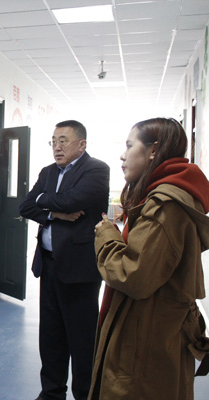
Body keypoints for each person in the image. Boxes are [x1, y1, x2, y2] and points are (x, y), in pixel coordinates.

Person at [90, 118, 209, 400]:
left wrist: (106, 235)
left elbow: (132, 275)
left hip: (145, 338)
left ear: (153, 150)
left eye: (129, 146)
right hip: (153, 329)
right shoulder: (167, 195)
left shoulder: (164, 206)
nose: (123, 155)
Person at [19, 120, 110, 400]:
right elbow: (26, 206)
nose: (57, 147)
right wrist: (54, 213)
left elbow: (73, 200)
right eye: (53, 141)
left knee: (82, 338)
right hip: (48, 265)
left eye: (63, 141)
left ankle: (85, 394)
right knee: (50, 335)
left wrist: (44, 199)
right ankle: (51, 392)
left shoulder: (96, 169)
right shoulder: (48, 171)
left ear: (81, 144)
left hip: (79, 268)